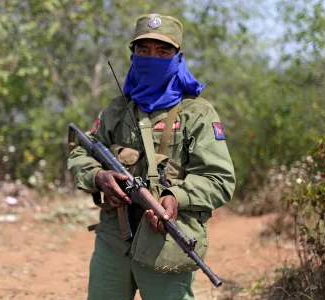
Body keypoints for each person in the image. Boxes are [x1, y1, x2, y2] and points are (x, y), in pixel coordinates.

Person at [68, 13, 235, 300]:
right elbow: (82, 152)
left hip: (166, 240)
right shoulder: (117, 110)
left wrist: (175, 197)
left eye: (162, 51)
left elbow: (220, 180)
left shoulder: (197, 113)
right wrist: (99, 176)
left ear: (177, 57)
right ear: (133, 54)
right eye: (143, 51)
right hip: (113, 238)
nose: (152, 58)